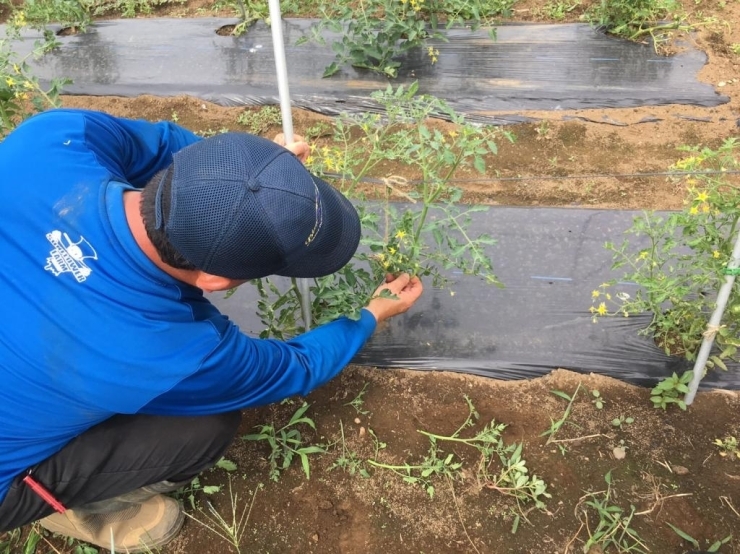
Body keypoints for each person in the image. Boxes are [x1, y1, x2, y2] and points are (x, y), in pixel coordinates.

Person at [0, 108, 423, 551]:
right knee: (204, 428)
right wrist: (371, 314)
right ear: (215, 280)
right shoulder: (172, 351)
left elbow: (165, 144)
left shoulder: (54, 140)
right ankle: (76, 509)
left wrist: (248, 173)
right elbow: (296, 366)